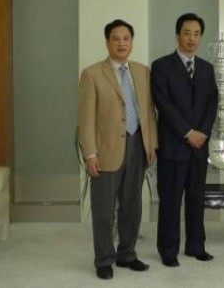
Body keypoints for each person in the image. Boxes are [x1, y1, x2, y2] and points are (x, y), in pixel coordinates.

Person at [78, 19, 158, 280]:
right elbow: (85, 118)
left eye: (126, 38)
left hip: (138, 145)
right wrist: (90, 153)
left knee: (132, 206)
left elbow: (148, 112)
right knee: (103, 208)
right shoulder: (92, 74)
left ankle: (127, 254)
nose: (122, 43)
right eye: (116, 38)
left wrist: (151, 144)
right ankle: (103, 259)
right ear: (107, 42)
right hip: (106, 150)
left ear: (131, 42)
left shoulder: (142, 71)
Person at [151, 13, 218, 268]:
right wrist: (188, 132)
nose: (192, 38)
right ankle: (168, 250)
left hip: (199, 148)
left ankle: (196, 246)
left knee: (196, 199)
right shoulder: (161, 66)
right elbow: (163, 103)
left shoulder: (206, 68)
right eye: (187, 33)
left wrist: (203, 132)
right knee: (170, 200)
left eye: (196, 34)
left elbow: (212, 103)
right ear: (177, 35)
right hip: (173, 146)